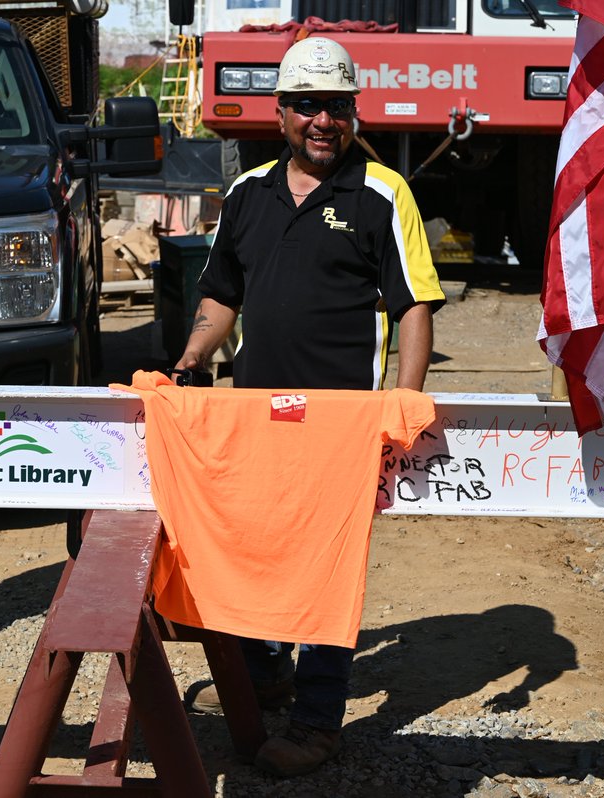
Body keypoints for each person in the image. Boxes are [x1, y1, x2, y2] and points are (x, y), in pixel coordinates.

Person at [173, 36, 446, 777]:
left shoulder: (382, 192)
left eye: (338, 107)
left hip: (342, 424)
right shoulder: (247, 196)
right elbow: (221, 292)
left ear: (354, 112)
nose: (324, 121)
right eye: (309, 106)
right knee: (256, 548)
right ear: (281, 112)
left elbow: (413, 303)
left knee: (327, 570)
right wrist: (194, 355)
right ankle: (266, 675)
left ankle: (320, 719)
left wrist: (405, 399)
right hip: (256, 419)